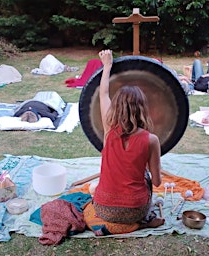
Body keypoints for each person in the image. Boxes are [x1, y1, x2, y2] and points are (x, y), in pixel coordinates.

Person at [89, 49, 164, 233]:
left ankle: (115, 225)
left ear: (116, 107)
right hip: (135, 211)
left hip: (103, 208)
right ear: (142, 109)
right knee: (145, 178)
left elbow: (103, 95)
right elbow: (156, 182)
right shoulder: (151, 140)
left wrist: (107, 66)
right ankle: (143, 221)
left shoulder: (108, 131)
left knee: (96, 189)